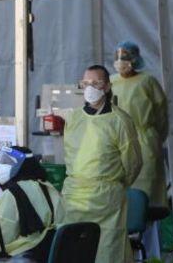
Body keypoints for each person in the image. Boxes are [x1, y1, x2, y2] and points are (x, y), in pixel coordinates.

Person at [61, 65, 142, 263]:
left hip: (106, 200)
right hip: (74, 197)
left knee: (108, 251)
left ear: (106, 86)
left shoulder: (120, 120)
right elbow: (70, 156)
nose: (90, 87)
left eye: (96, 83)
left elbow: (133, 163)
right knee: (73, 251)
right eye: (86, 83)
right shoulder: (74, 118)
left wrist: (113, 184)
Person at [110, 41, 169, 208]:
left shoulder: (147, 81)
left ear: (134, 59)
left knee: (146, 190)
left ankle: (149, 228)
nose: (120, 61)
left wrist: (155, 137)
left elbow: (161, 113)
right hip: (119, 140)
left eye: (125, 57)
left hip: (145, 141)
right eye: (118, 57)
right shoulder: (111, 81)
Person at [0, 146, 64, 261]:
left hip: (23, 256)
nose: (2, 166)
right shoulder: (49, 188)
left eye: (8, 162)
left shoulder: (13, 194)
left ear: (18, 166)